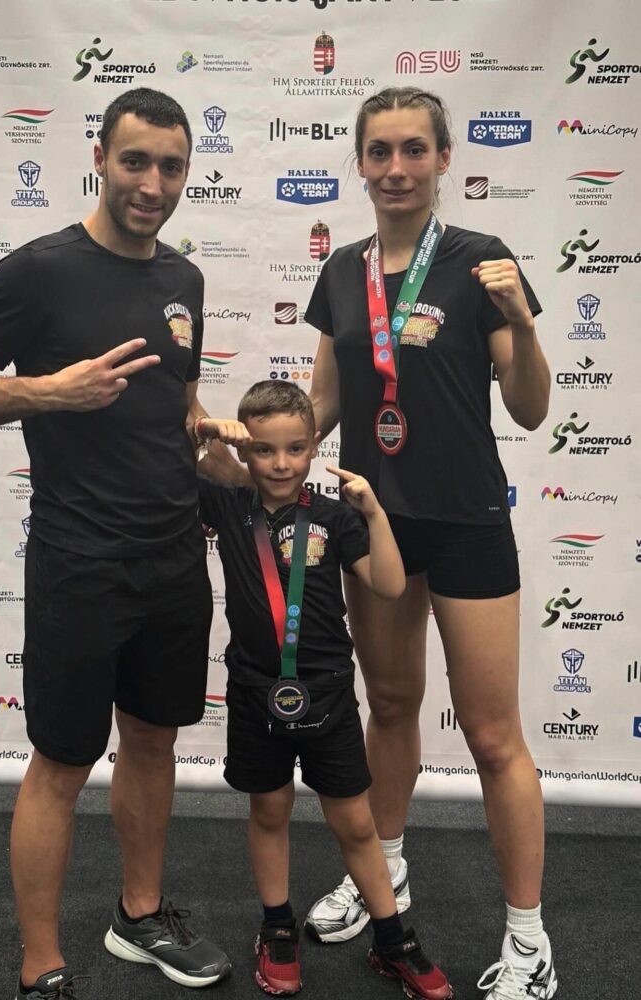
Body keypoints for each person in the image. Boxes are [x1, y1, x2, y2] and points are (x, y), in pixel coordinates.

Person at [0, 88, 238, 1000]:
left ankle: (140, 918)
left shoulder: (185, 281)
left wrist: (210, 433)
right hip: (78, 562)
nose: (153, 183)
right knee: (60, 763)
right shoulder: (40, 271)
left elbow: (170, 401)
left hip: (175, 558)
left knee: (153, 743)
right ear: (100, 156)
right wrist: (49, 393)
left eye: (171, 166)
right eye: (136, 161)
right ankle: (40, 966)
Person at [303, 87, 556, 1000]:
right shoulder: (341, 274)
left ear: (444, 159)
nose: (397, 168)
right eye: (380, 151)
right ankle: (386, 874)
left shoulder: (484, 262)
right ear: (361, 163)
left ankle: (529, 936)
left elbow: (529, 406)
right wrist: (254, 441)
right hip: (377, 520)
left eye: (415, 150)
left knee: (493, 736)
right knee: (394, 706)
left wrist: (521, 323)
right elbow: (326, 404)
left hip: (468, 521)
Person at [194, 381, 452, 1000]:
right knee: (269, 809)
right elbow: (183, 444)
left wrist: (374, 512)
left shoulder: (334, 517)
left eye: (294, 449)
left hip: (329, 691)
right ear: (247, 453)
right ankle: (276, 929)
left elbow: (389, 585)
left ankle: (393, 939)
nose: (280, 464)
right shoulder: (228, 506)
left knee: (356, 824)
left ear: (314, 447)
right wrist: (208, 434)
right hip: (255, 689)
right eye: (263, 451)